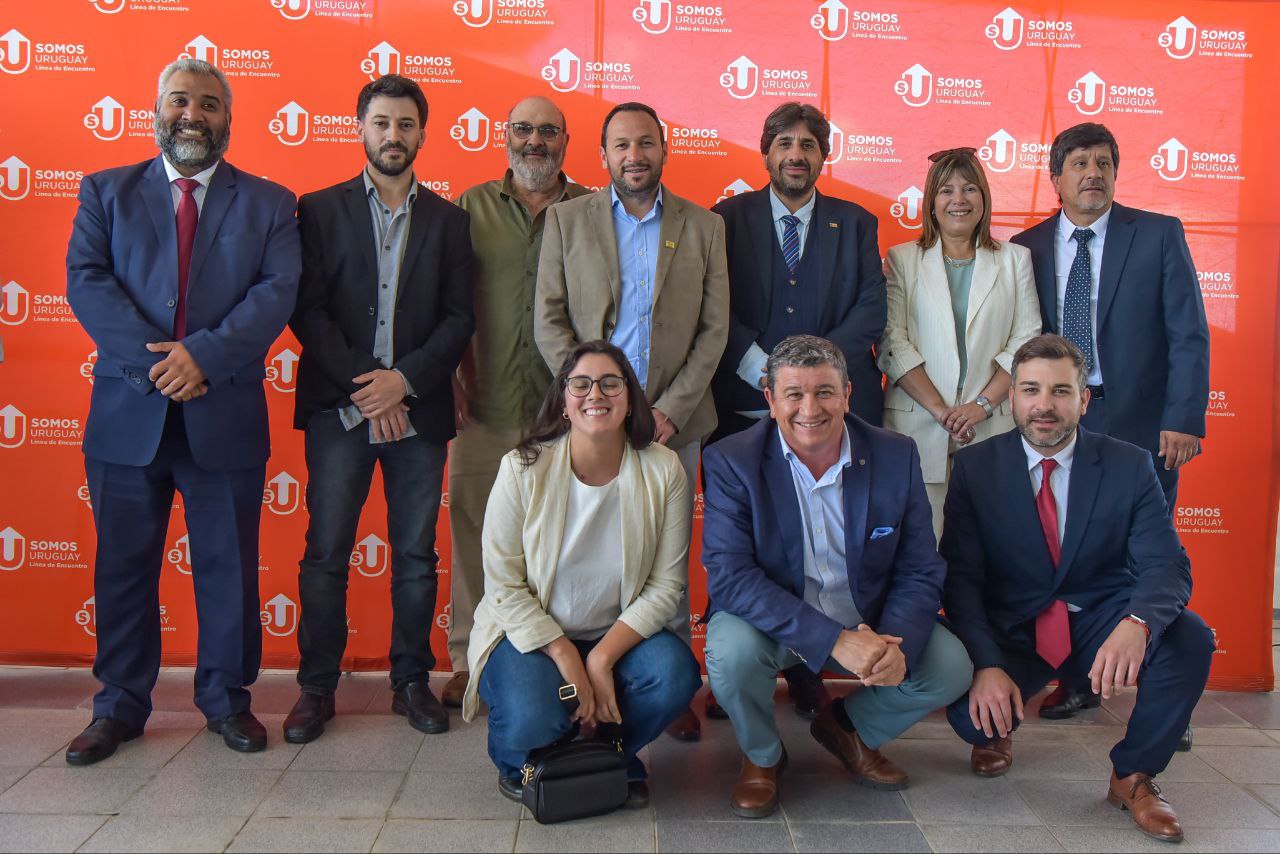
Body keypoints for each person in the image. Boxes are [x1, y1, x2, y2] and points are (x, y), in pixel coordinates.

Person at [64, 58, 300, 763]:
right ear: (157, 109)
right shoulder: (105, 191)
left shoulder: (270, 202)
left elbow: (276, 292)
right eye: (179, 100)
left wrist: (203, 357)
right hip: (128, 416)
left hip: (221, 413)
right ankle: (118, 706)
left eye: (208, 103)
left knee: (229, 567)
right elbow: (87, 282)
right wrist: (161, 366)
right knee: (123, 570)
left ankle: (227, 700)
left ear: (228, 118)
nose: (192, 114)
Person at [941, 334, 1213, 844]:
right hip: (1015, 628)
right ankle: (998, 728)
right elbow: (962, 579)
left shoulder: (1130, 464)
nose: (1044, 405)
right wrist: (986, 664)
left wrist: (1138, 623)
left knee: (1190, 638)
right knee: (971, 723)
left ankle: (1132, 776)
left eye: (1061, 391)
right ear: (1012, 398)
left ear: (1084, 400)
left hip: (1098, 621)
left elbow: (1167, 565)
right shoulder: (976, 468)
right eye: (1031, 390)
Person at [701, 334, 973, 819]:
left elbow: (919, 566)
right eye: (794, 394)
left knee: (950, 666)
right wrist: (834, 641)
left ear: (848, 395)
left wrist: (897, 644)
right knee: (730, 652)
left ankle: (849, 729)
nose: (810, 409)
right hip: (777, 622)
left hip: (868, 620)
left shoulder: (896, 454)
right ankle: (763, 755)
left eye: (824, 392)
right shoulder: (731, 460)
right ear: (770, 400)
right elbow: (731, 578)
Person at [282, 75, 474, 743]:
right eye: (382, 123)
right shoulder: (318, 210)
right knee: (326, 552)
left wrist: (404, 383)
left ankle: (410, 682)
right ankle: (315, 688)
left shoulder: (451, 221)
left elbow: (458, 319)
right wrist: (371, 387)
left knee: (416, 555)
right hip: (341, 411)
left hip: (418, 415)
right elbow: (307, 310)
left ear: (423, 133)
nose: (394, 135)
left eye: (406, 124)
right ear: (360, 128)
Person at [535, 101, 729, 742]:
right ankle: (583, 673)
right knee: (587, 551)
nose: (634, 156)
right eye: (621, 145)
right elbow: (549, 320)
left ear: (664, 149)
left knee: (667, 557)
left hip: (677, 423)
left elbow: (714, 329)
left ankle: (668, 692)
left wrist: (668, 411)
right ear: (603, 155)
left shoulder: (704, 225)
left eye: (646, 143)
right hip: (590, 424)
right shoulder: (567, 219)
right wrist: (591, 402)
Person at [1011, 123, 1209, 737]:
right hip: (1057, 422)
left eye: (1103, 163)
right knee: (1066, 553)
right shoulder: (1026, 247)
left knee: (1151, 557)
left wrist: (1182, 418)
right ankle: (1078, 678)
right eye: (1078, 163)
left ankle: (1165, 694)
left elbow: (1188, 332)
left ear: (1116, 174)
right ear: (1056, 178)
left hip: (1142, 425)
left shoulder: (1157, 234)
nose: (1092, 173)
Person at [705, 103, 888, 721]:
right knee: (754, 541)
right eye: (784, 143)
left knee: (821, 542)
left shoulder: (855, 223)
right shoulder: (726, 219)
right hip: (744, 401)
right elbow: (712, 303)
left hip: (829, 415)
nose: (796, 155)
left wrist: (812, 379)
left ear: (823, 156)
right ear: (765, 152)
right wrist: (766, 371)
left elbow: (870, 308)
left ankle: (812, 667)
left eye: (809, 145)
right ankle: (740, 670)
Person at [461, 340, 702, 807]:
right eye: (581, 384)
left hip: (615, 636)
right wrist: (565, 653)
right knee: (534, 715)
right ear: (564, 401)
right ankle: (521, 762)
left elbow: (665, 587)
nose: (596, 394)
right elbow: (503, 585)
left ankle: (609, 753)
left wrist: (600, 659)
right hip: (529, 637)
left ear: (630, 399)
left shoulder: (664, 469)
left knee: (673, 676)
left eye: (611, 383)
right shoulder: (522, 467)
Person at [442, 95, 591, 709]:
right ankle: (468, 658)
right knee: (475, 536)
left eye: (548, 131)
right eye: (523, 129)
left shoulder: (591, 210)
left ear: (565, 141)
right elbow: (443, 301)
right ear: (505, 136)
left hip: (569, 415)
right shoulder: (468, 208)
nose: (535, 141)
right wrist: (447, 378)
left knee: (567, 542)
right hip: (483, 404)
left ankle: (558, 662)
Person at [879, 147, 1040, 540]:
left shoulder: (1015, 260)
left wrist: (980, 406)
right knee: (920, 548)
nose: (959, 200)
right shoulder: (903, 260)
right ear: (931, 203)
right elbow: (891, 342)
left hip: (991, 425)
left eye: (969, 189)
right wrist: (941, 411)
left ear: (983, 198)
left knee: (986, 550)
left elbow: (1026, 342)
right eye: (946, 190)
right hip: (917, 424)